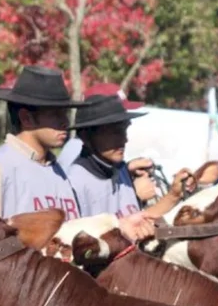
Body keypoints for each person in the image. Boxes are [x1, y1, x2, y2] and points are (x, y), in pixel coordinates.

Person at [0, 67, 156, 240]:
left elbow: (71, 235)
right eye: (55, 114)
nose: (65, 122)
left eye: (64, 113)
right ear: (26, 118)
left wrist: (121, 227)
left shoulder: (57, 172)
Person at [66, 94, 194, 219]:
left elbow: (138, 222)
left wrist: (174, 195)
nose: (124, 139)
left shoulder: (120, 170)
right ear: (86, 136)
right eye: (114, 133)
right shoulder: (75, 183)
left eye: (124, 130)